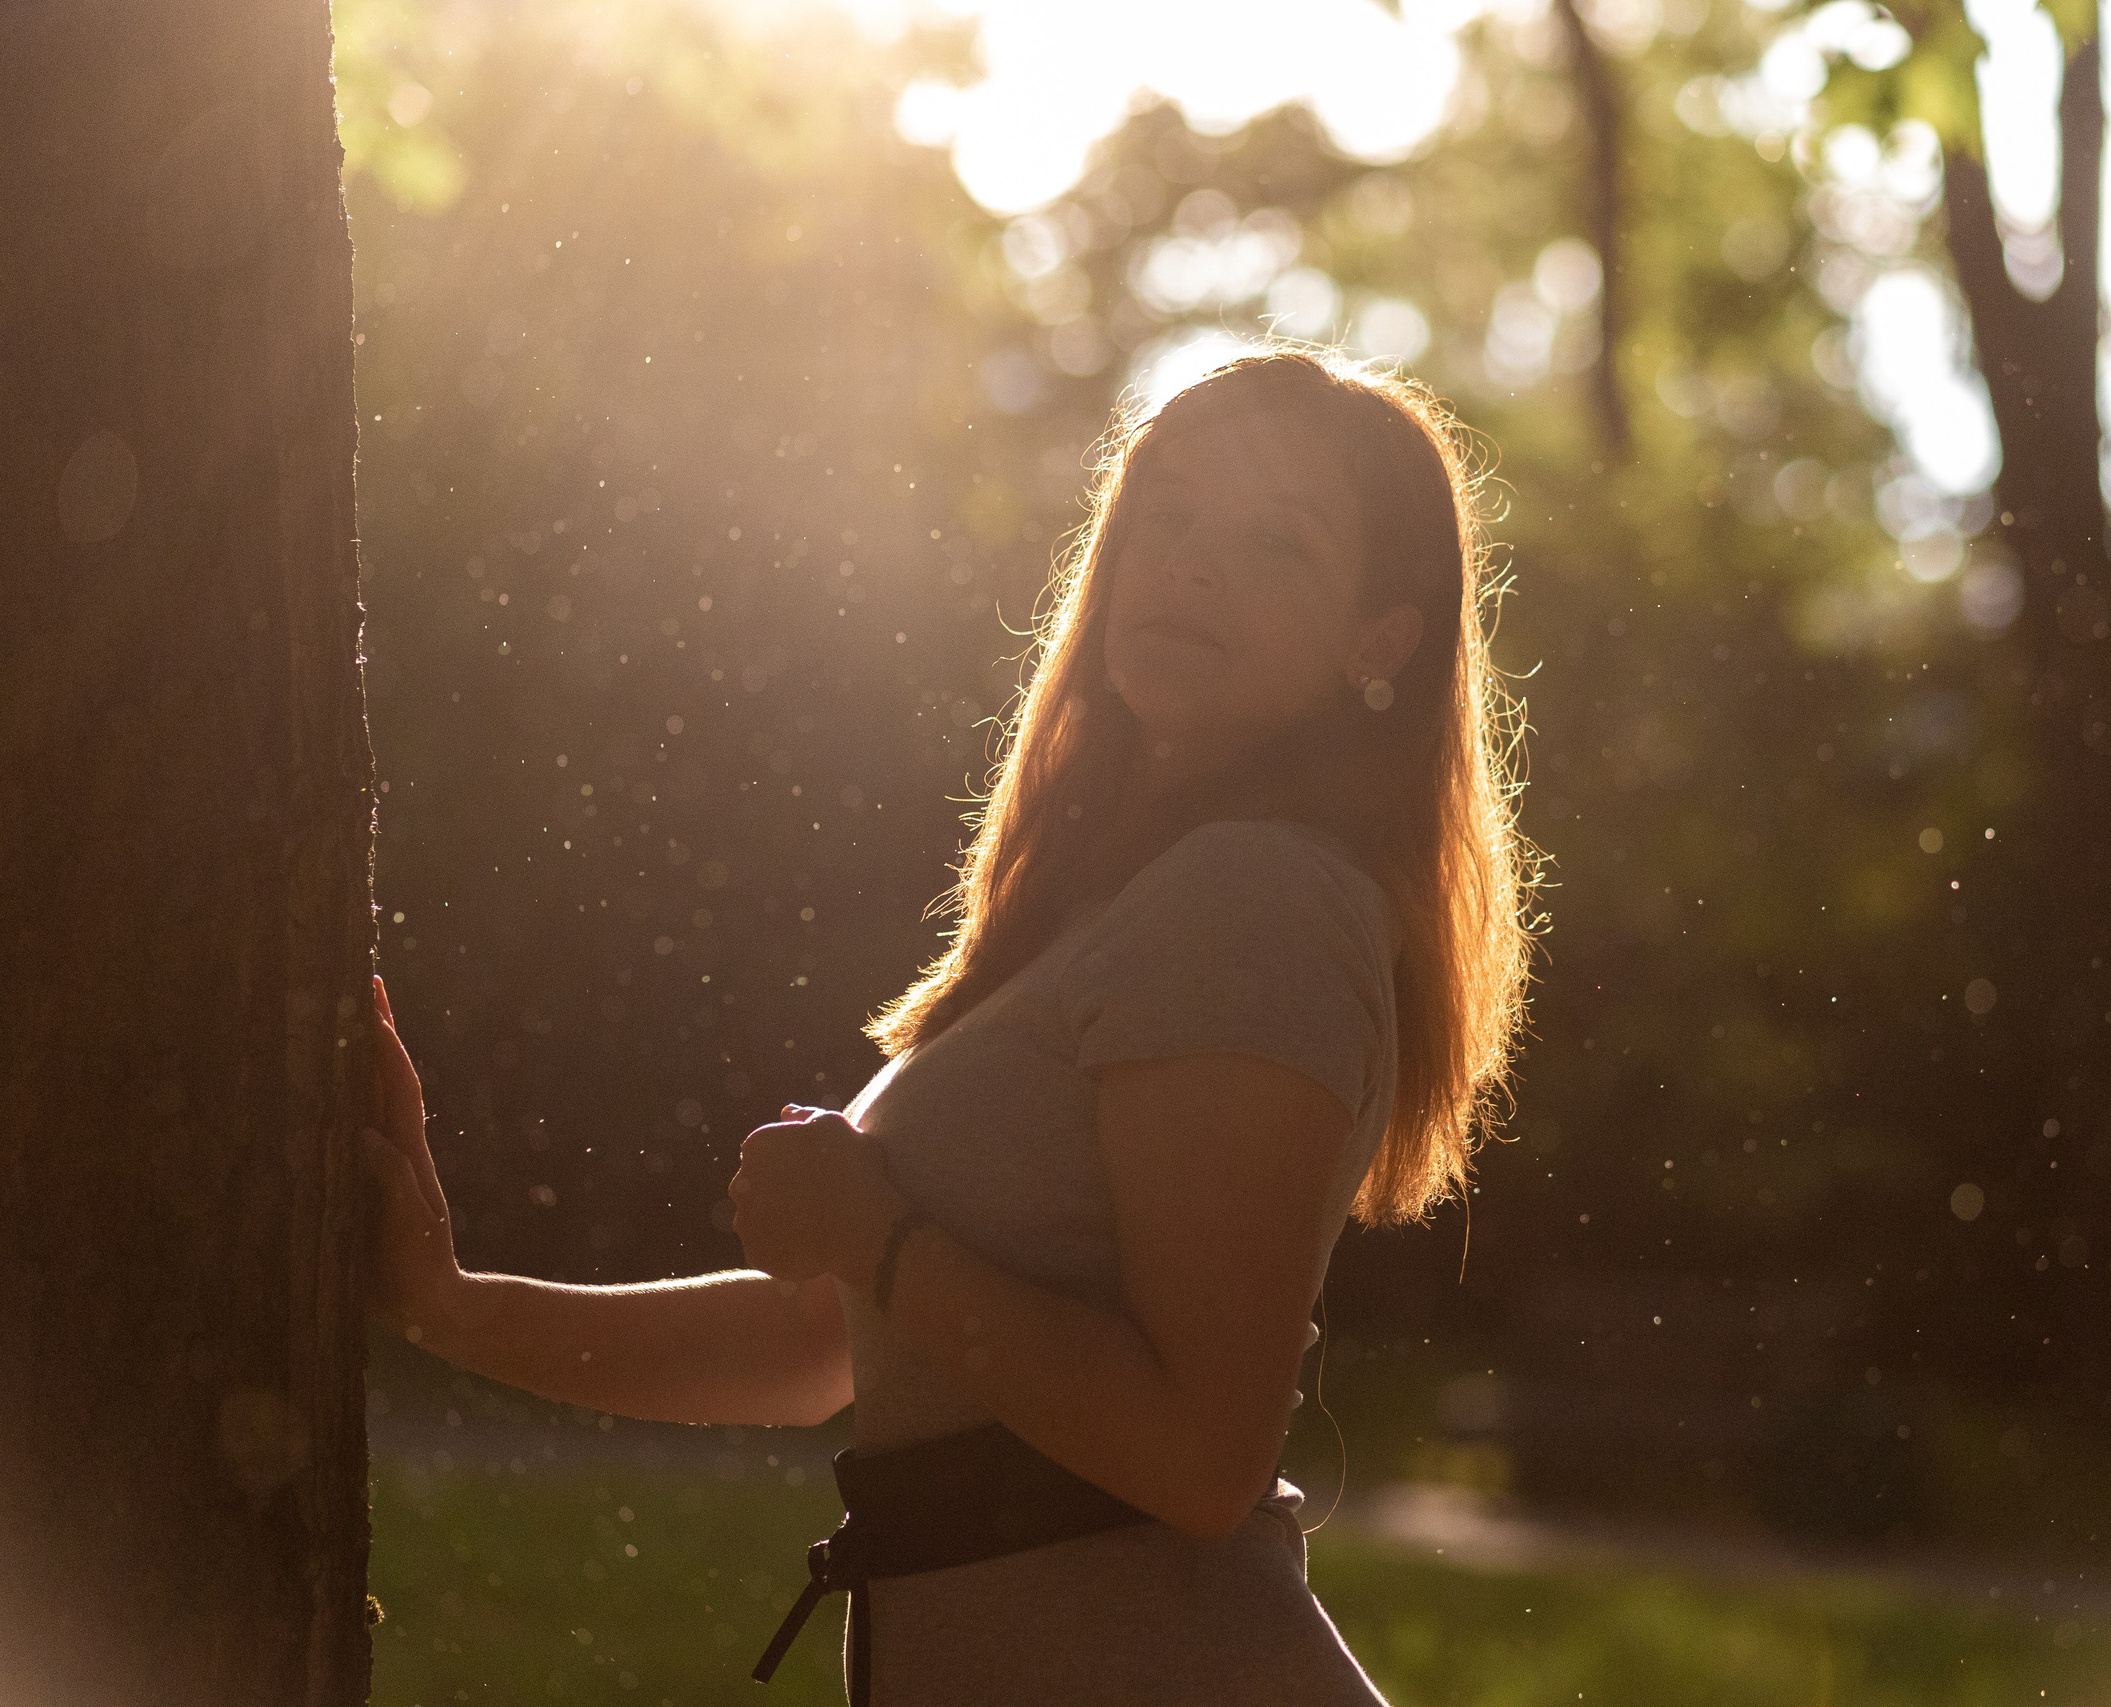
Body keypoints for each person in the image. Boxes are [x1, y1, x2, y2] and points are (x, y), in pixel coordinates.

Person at [364, 345, 1539, 1705]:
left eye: (1278, 543)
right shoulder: (1126, 905)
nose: (1192, 568)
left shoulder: (1254, 897)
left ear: (1378, 640)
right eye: (1168, 515)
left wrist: (876, 1233)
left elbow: (1199, 1460)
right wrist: (446, 1306)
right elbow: (816, 1346)